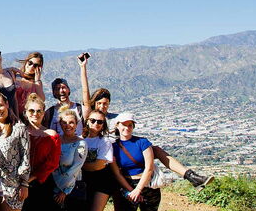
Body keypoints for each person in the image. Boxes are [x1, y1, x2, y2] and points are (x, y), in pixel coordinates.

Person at [79, 53, 213, 187]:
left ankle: (191, 176)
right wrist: (83, 68)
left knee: (156, 150)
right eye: (99, 103)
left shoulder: (117, 118)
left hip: (119, 150)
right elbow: (85, 94)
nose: (102, 106)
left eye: (106, 103)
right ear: (94, 103)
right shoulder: (92, 117)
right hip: (104, 153)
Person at [19, 94, 67, 211]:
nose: (35, 114)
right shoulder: (21, 132)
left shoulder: (52, 135)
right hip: (21, 183)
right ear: (25, 112)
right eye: (31, 111)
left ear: (44, 113)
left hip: (42, 185)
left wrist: (29, 179)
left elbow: (51, 163)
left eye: (39, 111)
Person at [112, 112, 161, 211]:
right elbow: (117, 173)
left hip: (147, 186)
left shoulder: (142, 142)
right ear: (117, 126)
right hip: (127, 185)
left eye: (130, 125)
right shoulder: (113, 147)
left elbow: (149, 167)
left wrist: (138, 189)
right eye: (124, 125)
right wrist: (130, 190)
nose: (127, 128)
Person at [82, 109, 126, 211]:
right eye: (93, 120)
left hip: (102, 182)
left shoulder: (105, 142)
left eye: (100, 122)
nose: (96, 124)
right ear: (87, 121)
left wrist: (78, 166)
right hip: (86, 182)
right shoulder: (81, 139)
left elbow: (99, 165)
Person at [50, 108, 89, 211]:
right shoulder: (55, 141)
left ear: (77, 124)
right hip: (55, 187)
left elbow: (75, 168)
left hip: (74, 188)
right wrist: (58, 188)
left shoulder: (81, 143)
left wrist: (65, 190)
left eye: (71, 122)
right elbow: (52, 164)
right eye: (64, 122)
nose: (68, 125)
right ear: (59, 124)